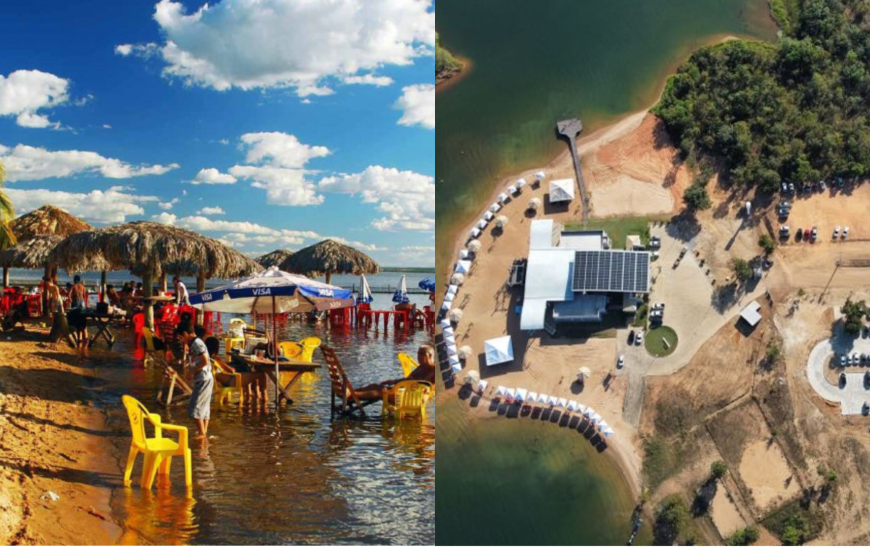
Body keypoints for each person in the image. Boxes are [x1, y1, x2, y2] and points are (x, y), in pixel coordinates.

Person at [353, 345, 436, 402]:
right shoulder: (421, 367)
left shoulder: (433, 369)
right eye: (418, 353)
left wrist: (428, 389)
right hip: (403, 393)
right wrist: (393, 381)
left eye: (421, 354)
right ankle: (351, 392)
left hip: (410, 399)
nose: (418, 356)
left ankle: (352, 395)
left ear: (430, 355)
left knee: (380, 392)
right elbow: (408, 380)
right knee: (376, 386)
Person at [176, 324, 213, 439]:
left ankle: (202, 434)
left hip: (203, 378)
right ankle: (204, 433)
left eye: (181, 337)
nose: (181, 340)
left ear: (185, 334)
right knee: (204, 408)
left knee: (195, 407)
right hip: (205, 378)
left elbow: (205, 361)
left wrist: (192, 372)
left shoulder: (196, 343)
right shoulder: (195, 343)